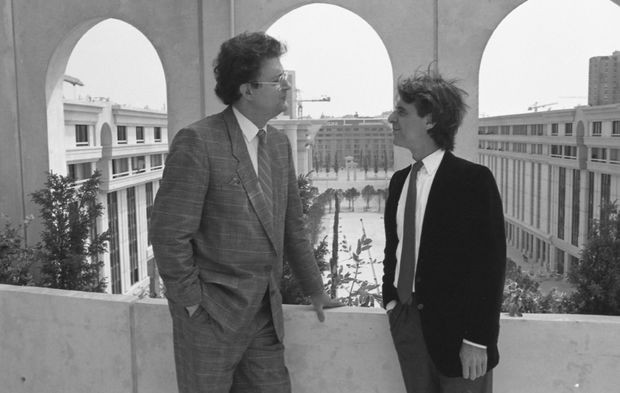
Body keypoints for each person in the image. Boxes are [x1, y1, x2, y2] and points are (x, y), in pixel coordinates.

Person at [150, 31, 336, 393]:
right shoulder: (199, 141)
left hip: (265, 317)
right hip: (210, 318)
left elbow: (291, 227)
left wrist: (315, 289)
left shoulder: (279, 145)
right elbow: (169, 234)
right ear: (248, 89)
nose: (286, 87)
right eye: (277, 79)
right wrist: (192, 305)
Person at [382, 69, 506, 393]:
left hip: (460, 336)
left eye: (402, 111)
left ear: (431, 120)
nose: (391, 118)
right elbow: (393, 249)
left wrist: (478, 338)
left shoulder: (473, 181)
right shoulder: (399, 182)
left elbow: (489, 265)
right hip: (408, 324)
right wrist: (392, 303)